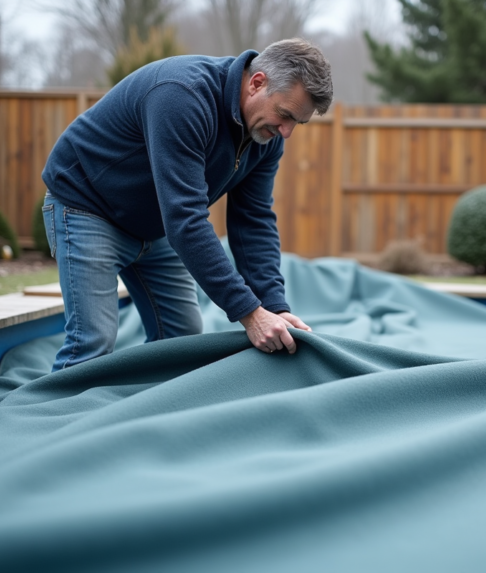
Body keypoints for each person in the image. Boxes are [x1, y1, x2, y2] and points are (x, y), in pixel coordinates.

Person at [41, 39, 333, 371]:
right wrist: (250, 314)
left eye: (298, 122)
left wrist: (274, 307)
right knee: (92, 344)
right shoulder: (182, 95)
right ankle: (53, 419)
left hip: (154, 224)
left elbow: (254, 221)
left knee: (182, 337)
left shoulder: (265, 138)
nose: (287, 132)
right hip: (88, 206)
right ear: (256, 83)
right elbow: (185, 219)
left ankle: (136, 416)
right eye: (285, 115)